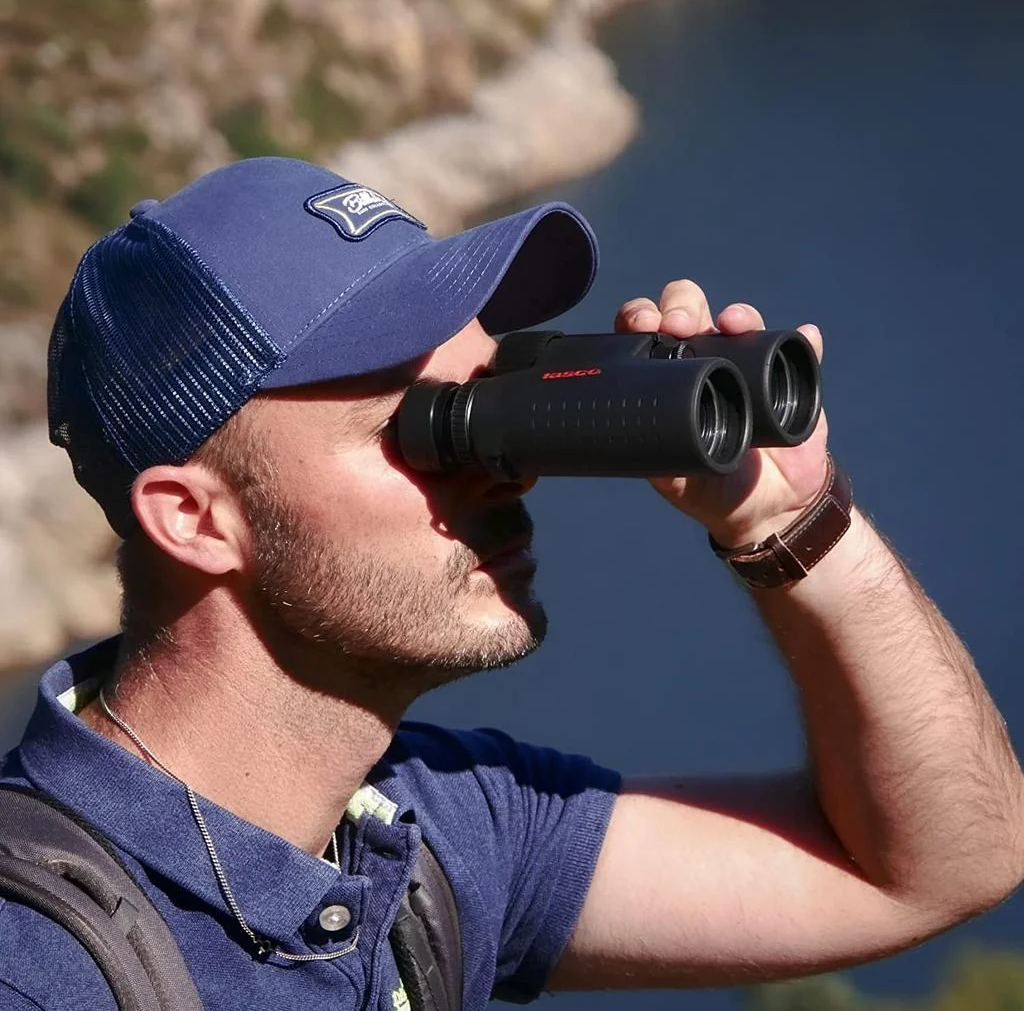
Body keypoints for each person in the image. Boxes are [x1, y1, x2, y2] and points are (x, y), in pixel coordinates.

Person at [0, 156, 1020, 1010]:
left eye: (490, 399)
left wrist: (791, 521)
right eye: (418, 427)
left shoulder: (421, 833)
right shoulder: (38, 966)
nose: (507, 463)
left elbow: (936, 867)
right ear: (194, 518)